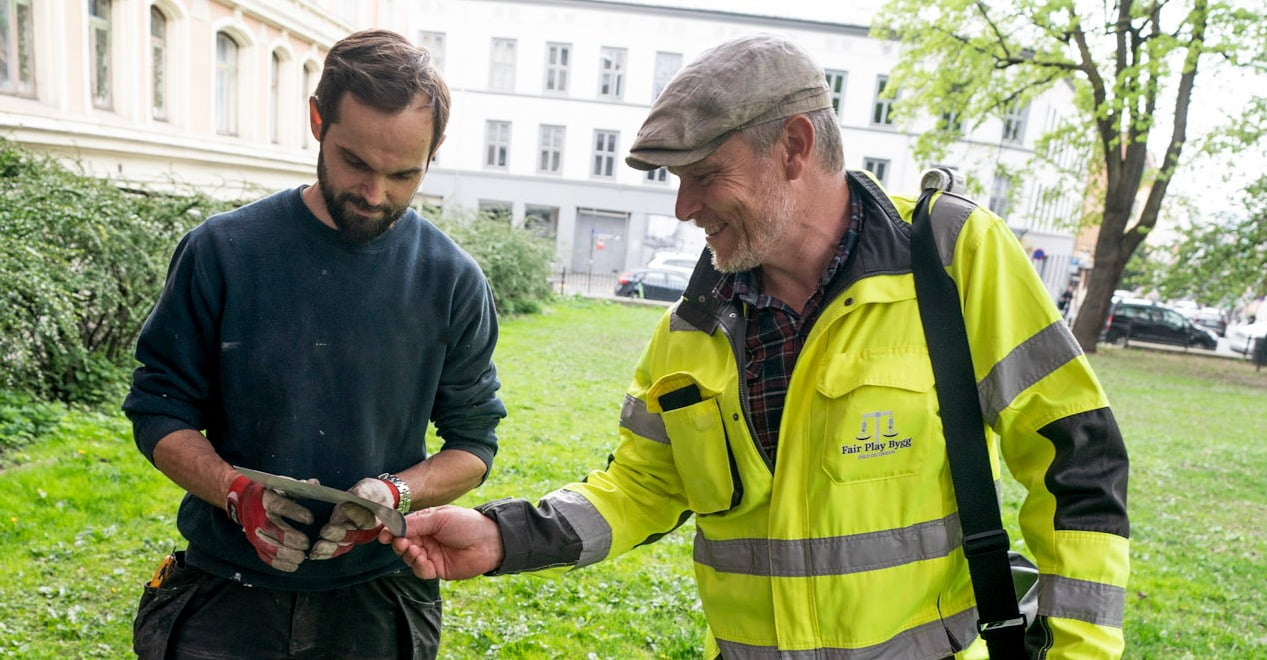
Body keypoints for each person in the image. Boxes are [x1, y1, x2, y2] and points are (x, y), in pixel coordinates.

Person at [384, 34, 1130, 658]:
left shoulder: (950, 257)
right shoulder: (691, 328)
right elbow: (643, 486)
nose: (682, 208)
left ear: (795, 147)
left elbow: (1077, 458)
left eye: (704, 176)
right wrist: (496, 536)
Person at [123, 29, 506, 659]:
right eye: (355, 162)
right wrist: (234, 491)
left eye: (404, 174)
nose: (375, 194)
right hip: (224, 588)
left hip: (377, 602)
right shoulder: (222, 252)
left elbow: (474, 445)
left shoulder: (452, 279)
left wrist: (395, 494)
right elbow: (159, 409)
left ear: (434, 152)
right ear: (316, 120)